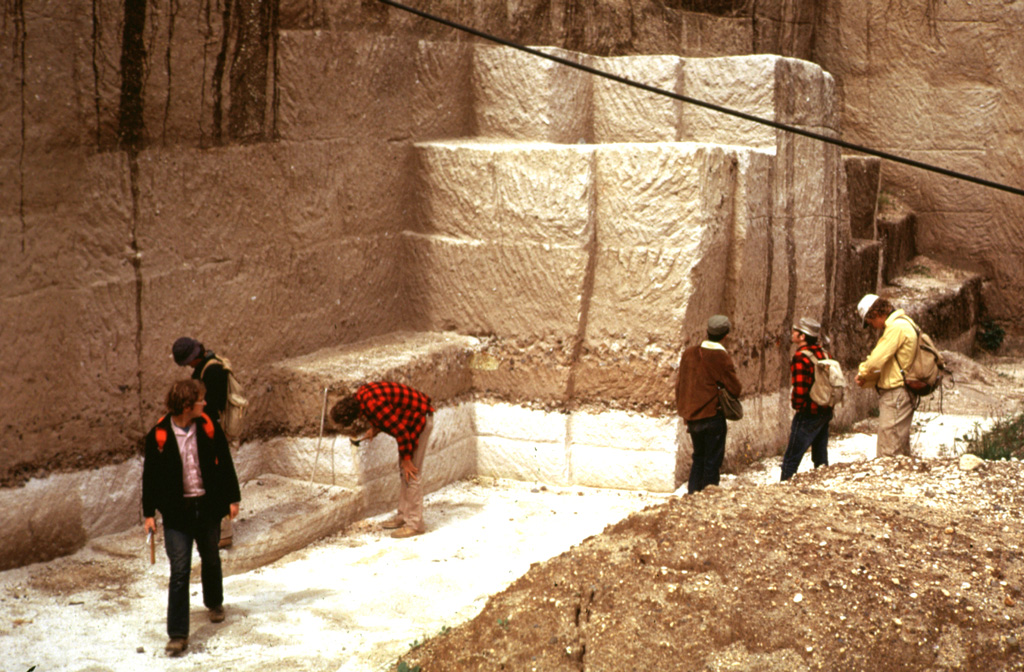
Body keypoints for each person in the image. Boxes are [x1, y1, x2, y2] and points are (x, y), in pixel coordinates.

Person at [142, 379, 240, 657]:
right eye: (200, 400)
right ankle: (177, 635)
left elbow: (226, 461)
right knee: (180, 571)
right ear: (187, 405)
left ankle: (214, 602)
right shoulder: (158, 436)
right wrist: (149, 514)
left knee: (210, 557)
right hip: (177, 514)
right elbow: (149, 478)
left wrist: (233, 498)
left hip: (207, 508)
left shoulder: (209, 427)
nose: (205, 403)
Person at [330, 381, 435, 538]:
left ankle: (415, 524)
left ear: (355, 415)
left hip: (418, 420)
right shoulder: (361, 394)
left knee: (411, 473)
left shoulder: (372, 405)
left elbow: (402, 432)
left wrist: (407, 459)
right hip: (410, 418)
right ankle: (403, 516)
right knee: (404, 472)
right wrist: (375, 429)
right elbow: (390, 409)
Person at [172, 336, 235, 548]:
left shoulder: (213, 371)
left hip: (212, 432)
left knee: (217, 481)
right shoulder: (206, 367)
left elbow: (212, 405)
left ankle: (224, 533)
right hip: (207, 430)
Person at [675, 315, 743, 494]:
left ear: (707, 332)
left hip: (692, 417)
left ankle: (692, 497)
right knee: (712, 461)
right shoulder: (721, 357)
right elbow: (735, 389)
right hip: (712, 417)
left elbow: (680, 385)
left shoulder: (689, 353)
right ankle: (708, 499)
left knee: (698, 457)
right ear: (725, 335)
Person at [855, 293, 920, 457]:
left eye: (870, 322)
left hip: (895, 394)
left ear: (875, 314)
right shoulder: (906, 322)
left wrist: (862, 373)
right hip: (902, 392)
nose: (873, 327)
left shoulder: (896, 328)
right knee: (900, 451)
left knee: (888, 453)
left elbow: (876, 360)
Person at [780, 317, 833, 481]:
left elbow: (800, 389)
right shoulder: (824, 353)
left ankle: (784, 489)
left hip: (808, 413)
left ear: (802, 336)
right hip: (825, 409)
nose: (793, 333)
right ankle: (823, 484)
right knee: (820, 456)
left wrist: (797, 407)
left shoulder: (801, 358)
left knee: (791, 458)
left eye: (795, 331)